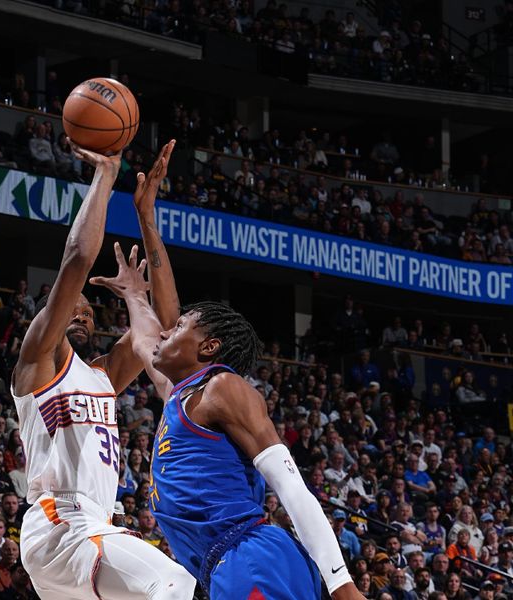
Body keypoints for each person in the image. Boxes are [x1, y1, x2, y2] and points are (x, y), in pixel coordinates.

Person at [89, 149, 364, 600]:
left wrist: (343, 585)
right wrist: (142, 240)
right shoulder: (182, 397)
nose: (167, 331)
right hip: (224, 567)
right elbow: (147, 336)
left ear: (208, 347)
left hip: (251, 555)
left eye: (179, 329)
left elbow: (291, 487)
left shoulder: (222, 388)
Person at [11, 140, 195, 600]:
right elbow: (77, 260)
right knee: (175, 583)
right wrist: (106, 174)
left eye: (91, 311)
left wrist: (147, 220)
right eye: (74, 306)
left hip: (92, 525)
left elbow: (166, 329)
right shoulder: (41, 360)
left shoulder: (104, 377)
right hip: (61, 522)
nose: (84, 314)